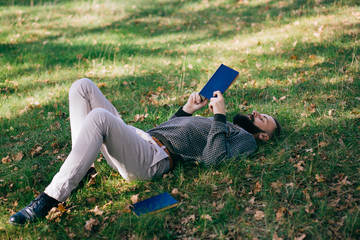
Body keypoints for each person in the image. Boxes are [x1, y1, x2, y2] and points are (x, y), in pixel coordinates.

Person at [9, 78, 281, 226]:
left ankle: (49, 198)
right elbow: (170, 130)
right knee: (82, 87)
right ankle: (83, 166)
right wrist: (186, 111)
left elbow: (214, 160)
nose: (256, 113)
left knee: (100, 118)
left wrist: (220, 117)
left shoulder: (247, 140)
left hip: (151, 160)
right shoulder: (218, 125)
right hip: (143, 139)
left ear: (264, 135)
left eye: (263, 118)